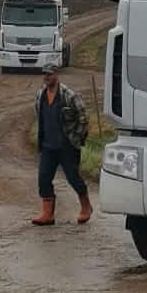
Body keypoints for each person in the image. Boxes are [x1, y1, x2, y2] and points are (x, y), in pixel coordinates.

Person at [32, 64, 92, 226]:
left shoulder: (70, 96)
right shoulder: (40, 95)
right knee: (43, 179)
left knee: (73, 178)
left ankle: (86, 206)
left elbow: (83, 118)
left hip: (67, 147)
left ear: (56, 75)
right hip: (48, 147)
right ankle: (47, 214)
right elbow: (40, 116)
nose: (46, 77)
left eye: (49, 74)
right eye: (44, 74)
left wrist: (77, 138)